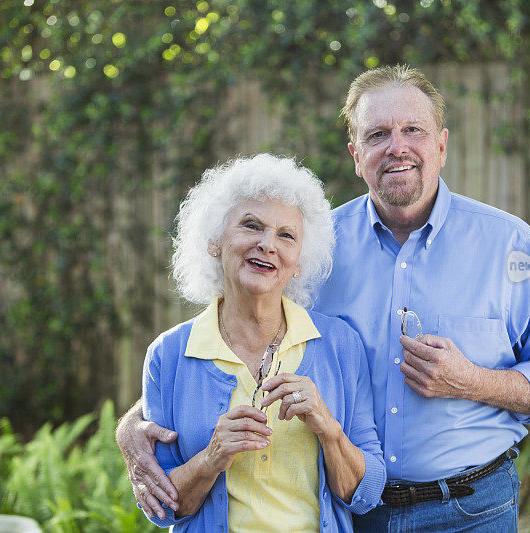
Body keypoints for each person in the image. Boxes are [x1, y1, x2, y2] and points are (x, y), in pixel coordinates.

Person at [117, 66, 530, 532]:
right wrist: (132, 427)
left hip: (473, 509)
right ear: (355, 153)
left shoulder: (506, 243)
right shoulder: (311, 246)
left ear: (442, 145)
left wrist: (472, 382)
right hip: (352, 514)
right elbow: (238, 343)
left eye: (414, 130)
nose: (397, 147)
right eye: (378, 134)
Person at [133, 154, 385, 532]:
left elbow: (366, 493)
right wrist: (212, 457)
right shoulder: (168, 356)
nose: (268, 244)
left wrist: (328, 428)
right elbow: (162, 508)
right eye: (252, 226)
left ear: (299, 261)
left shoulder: (339, 345)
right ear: (215, 241)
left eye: (286, 235)